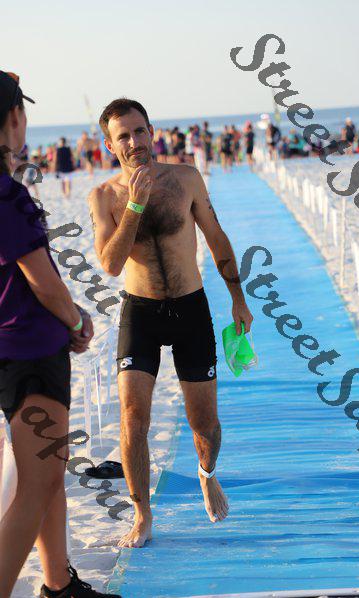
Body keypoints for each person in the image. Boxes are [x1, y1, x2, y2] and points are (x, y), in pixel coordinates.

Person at [88, 98, 253, 549]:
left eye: (140, 130)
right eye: (123, 136)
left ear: (152, 131)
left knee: (205, 424)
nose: (134, 141)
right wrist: (135, 206)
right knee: (132, 417)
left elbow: (217, 238)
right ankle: (142, 513)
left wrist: (238, 299)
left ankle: (206, 473)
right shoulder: (104, 196)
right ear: (109, 145)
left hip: (189, 308)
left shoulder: (186, 179)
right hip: (140, 312)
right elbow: (110, 264)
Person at [0, 71, 121, 598]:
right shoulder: (8, 195)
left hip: (17, 345)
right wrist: (74, 320)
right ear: (14, 119)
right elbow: (41, 280)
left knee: (48, 475)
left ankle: (58, 583)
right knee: (38, 484)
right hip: (29, 349)